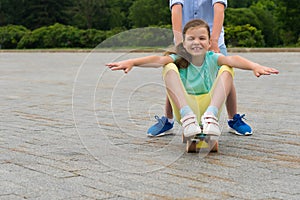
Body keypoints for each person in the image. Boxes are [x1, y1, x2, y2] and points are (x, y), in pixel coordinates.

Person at [106, 19, 279, 138]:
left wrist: (254, 66)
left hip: (210, 109)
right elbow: (157, 60)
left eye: (202, 38)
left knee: (227, 67)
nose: (197, 42)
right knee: (168, 66)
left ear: (210, 42)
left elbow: (233, 59)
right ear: (184, 42)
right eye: (191, 38)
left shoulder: (212, 58)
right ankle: (187, 118)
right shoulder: (179, 58)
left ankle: (211, 118)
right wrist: (132, 62)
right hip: (185, 109)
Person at [148, 0, 250, 137]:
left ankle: (233, 119)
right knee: (176, 74)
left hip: (211, 38)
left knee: (225, 71)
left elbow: (219, 8)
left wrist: (213, 41)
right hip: (186, 40)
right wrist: (179, 44)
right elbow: (176, 9)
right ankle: (168, 119)